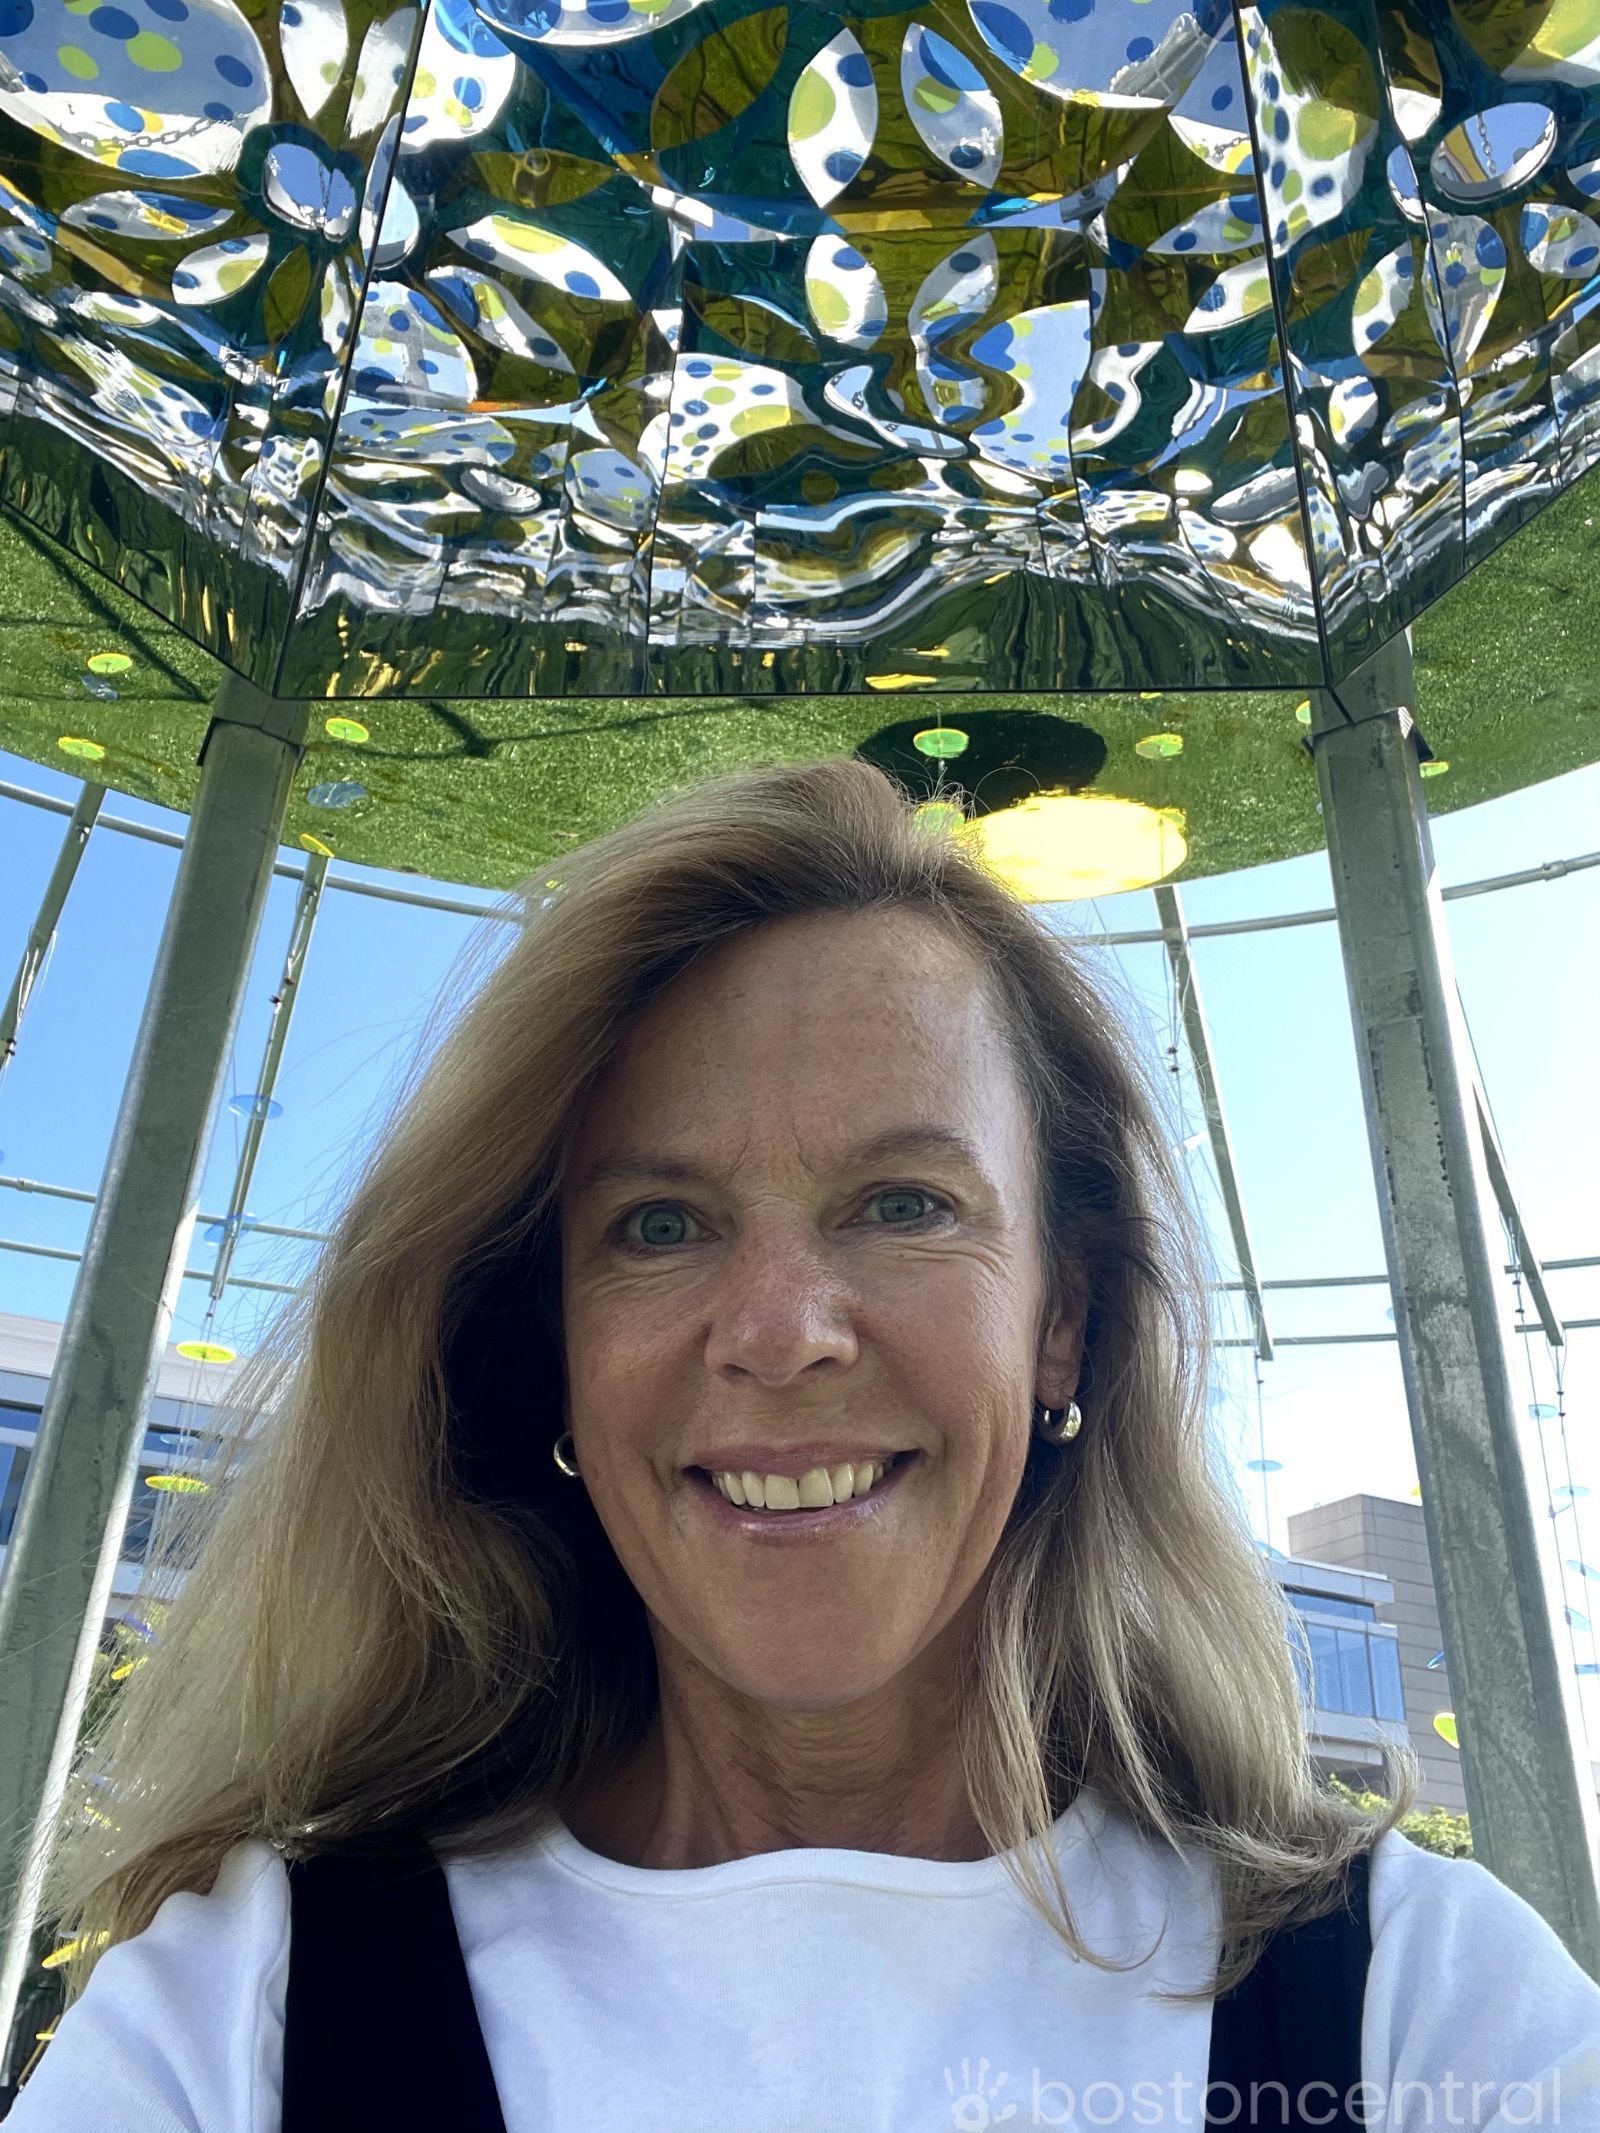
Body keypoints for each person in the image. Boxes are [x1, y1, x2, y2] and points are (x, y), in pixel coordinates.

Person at [8, 758, 1599, 2131]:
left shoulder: (1413, 2000)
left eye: (903, 1202)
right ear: (546, 1345)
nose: (779, 1331)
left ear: (1064, 1315)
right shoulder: (244, 2015)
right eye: (659, 1222)